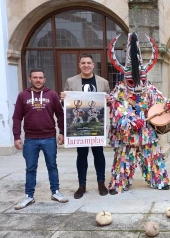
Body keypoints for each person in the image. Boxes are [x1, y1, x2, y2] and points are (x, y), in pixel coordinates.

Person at [106, 32, 170, 194]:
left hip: (147, 133)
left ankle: (159, 180)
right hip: (127, 135)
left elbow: (162, 103)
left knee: (153, 156)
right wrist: (131, 120)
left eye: (142, 80)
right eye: (134, 81)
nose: (139, 85)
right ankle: (119, 183)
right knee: (124, 157)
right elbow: (116, 109)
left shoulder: (150, 90)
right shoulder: (119, 90)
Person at [12, 69, 68, 210]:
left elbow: (60, 115)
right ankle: (29, 196)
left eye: (40, 78)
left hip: (49, 137)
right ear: (29, 79)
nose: (38, 80)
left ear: (44, 79)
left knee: (52, 166)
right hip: (30, 139)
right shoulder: (23, 96)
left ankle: (55, 192)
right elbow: (17, 117)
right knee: (30, 168)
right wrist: (17, 136)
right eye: (35, 77)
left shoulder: (52, 95)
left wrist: (62, 132)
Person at [60, 53, 112, 199]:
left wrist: (108, 100)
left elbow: (108, 103)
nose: (86, 65)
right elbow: (66, 105)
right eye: (83, 63)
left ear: (93, 65)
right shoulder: (71, 81)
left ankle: (101, 183)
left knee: (99, 155)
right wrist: (63, 99)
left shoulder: (103, 82)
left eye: (89, 63)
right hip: (79, 128)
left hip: (96, 126)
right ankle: (81, 185)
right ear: (79, 65)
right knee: (81, 156)